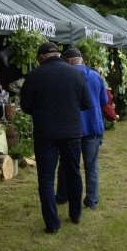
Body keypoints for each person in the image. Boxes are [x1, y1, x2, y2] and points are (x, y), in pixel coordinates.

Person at [20, 42, 92, 233]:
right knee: (74, 173)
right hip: (71, 132)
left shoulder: (35, 75)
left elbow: (26, 107)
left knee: (46, 178)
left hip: (45, 134)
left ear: (42, 57)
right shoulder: (76, 73)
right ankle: (75, 214)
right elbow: (86, 103)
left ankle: (52, 224)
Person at [55, 47, 109, 211]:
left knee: (66, 163)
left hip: (72, 127)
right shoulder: (95, 76)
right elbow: (104, 100)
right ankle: (92, 201)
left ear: (69, 61)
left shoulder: (65, 77)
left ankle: (63, 196)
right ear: (81, 58)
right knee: (91, 166)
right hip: (93, 126)